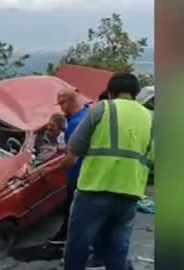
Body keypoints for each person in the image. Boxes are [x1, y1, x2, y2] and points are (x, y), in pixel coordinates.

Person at [62, 73, 154, 270]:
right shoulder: (150, 117)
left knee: (77, 248)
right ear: (136, 93)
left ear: (110, 93)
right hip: (130, 193)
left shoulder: (101, 109)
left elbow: (74, 147)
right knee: (117, 251)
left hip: (94, 189)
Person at [46, 88, 89, 245]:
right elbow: (80, 145)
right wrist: (59, 149)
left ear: (68, 101)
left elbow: (72, 159)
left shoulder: (75, 124)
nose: (60, 108)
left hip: (78, 176)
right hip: (86, 174)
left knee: (72, 210)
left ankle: (67, 240)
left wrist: (52, 170)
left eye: (61, 103)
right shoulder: (87, 115)